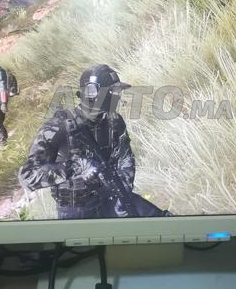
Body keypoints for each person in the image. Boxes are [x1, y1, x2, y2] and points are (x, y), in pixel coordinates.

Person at [18, 64, 170, 219]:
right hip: (76, 211)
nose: (118, 97)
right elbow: (28, 175)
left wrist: (123, 191)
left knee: (162, 221)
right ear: (93, 94)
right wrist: (76, 167)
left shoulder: (114, 122)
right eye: (113, 92)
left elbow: (125, 158)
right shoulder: (60, 126)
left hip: (112, 200)